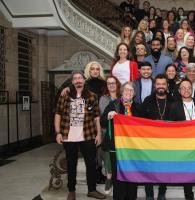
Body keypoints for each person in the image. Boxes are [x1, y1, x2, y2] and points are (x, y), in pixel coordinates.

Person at [55, 71, 106, 200]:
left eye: (80, 78)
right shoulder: (65, 95)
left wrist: (99, 134)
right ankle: (71, 190)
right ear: (72, 82)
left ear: (84, 80)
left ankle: (92, 190)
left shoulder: (92, 96)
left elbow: (96, 117)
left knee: (91, 164)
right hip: (68, 136)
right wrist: (58, 133)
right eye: (75, 78)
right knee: (71, 164)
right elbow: (58, 114)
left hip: (88, 135)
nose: (78, 80)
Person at [101, 82, 142, 200]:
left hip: (133, 148)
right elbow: (102, 121)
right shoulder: (113, 104)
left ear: (134, 94)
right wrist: (108, 116)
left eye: (131, 91)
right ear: (122, 92)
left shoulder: (138, 107)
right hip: (116, 147)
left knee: (132, 175)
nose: (128, 93)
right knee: (118, 175)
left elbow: (145, 126)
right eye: (126, 90)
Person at [168, 78, 195, 200]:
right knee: (187, 175)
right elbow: (170, 127)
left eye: (189, 88)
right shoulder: (174, 106)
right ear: (179, 91)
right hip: (183, 147)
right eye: (183, 88)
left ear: (192, 89)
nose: (186, 90)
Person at [142, 74, 175, 200]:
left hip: (167, 142)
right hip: (149, 142)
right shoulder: (147, 100)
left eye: (163, 84)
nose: (161, 86)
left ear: (167, 86)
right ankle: (149, 194)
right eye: (158, 84)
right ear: (155, 85)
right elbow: (140, 121)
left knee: (164, 168)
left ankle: (162, 192)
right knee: (148, 168)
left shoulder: (173, 101)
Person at [99, 76, 122, 195]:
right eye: (109, 83)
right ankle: (109, 177)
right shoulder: (104, 98)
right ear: (106, 86)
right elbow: (103, 117)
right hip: (107, 130)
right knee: (107, 151)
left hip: (122, 132)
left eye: (113, 83)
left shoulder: (122, 97)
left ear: (117, 84)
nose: (111, 85)